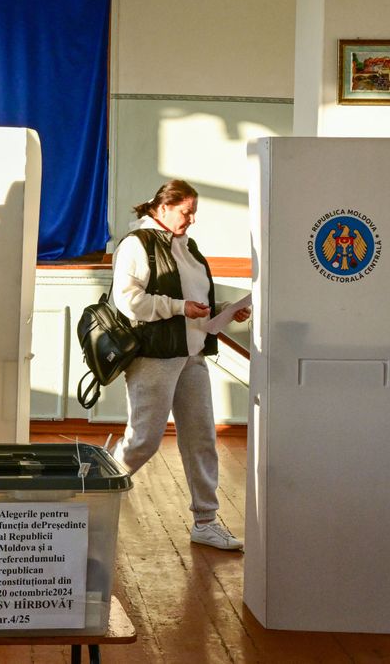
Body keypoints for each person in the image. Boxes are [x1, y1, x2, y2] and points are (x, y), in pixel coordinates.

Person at [110, 179, 250, 551]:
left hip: (191, 355)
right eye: (186, 212)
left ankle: (205, 521)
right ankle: (91, 497)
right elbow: (128, 302)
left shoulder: (188, 248)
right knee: (143, 441)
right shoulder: (137, 245)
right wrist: (177, 308)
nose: (191, 220)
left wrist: (222, 311)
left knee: (202, 437)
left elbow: (193, 300)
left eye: (194, 213)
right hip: (154, 356)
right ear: (163, 207)